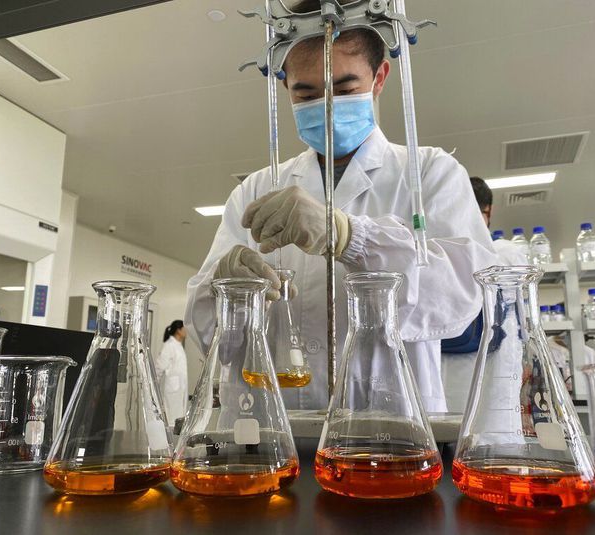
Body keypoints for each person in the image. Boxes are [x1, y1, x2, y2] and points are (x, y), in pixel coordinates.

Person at [185, 0, 496, 411]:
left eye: (345, 89)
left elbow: (462, 299)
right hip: (270, 431)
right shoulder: (256, 188)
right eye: (307, 93)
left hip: (389, 432)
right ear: (284, 87)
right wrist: (224, 289)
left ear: (380, 77)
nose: (327, 107)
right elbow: (209, 337)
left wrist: (352, 238)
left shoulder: (431, 173)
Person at [441, 176, 527, 412]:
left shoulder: (437, 253)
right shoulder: (507, 253)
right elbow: (521, 324)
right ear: (488, 211)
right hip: (489, 377)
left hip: (442, 381)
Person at [155, 320, 189, 423]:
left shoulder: (178, 346)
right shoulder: (169, 345)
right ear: (178, 330)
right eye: (184, 329)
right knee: (172, 418)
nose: (186, 331)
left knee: (178, 417)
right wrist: (153, 388)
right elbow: (159, 367)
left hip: (179, 389)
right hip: (173, 390)